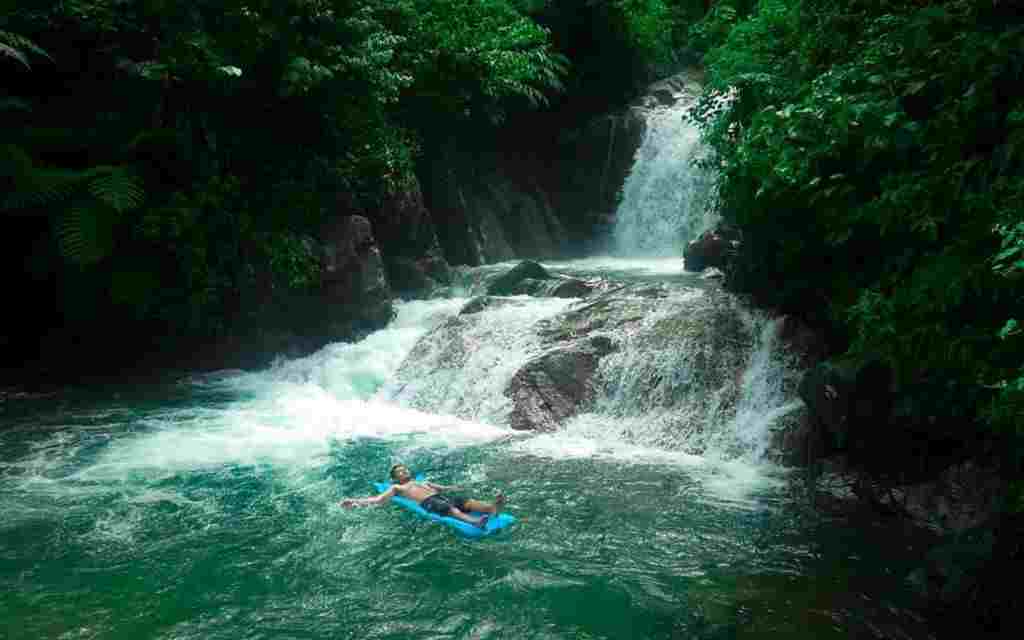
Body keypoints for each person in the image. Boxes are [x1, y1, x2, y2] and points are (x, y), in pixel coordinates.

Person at [340, 463, 506, 528]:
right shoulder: (397, 487)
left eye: (405, 469)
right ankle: (475, 522)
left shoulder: (423, 482)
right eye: (400, 472)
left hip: (441, 497)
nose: (404, 471)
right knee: (449, 509)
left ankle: (492, 508)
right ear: (395, 478)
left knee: (467, 502)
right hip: (428, 502)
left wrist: (469, 483)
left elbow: (445, 488)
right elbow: (378, 500)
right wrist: (354, 501)